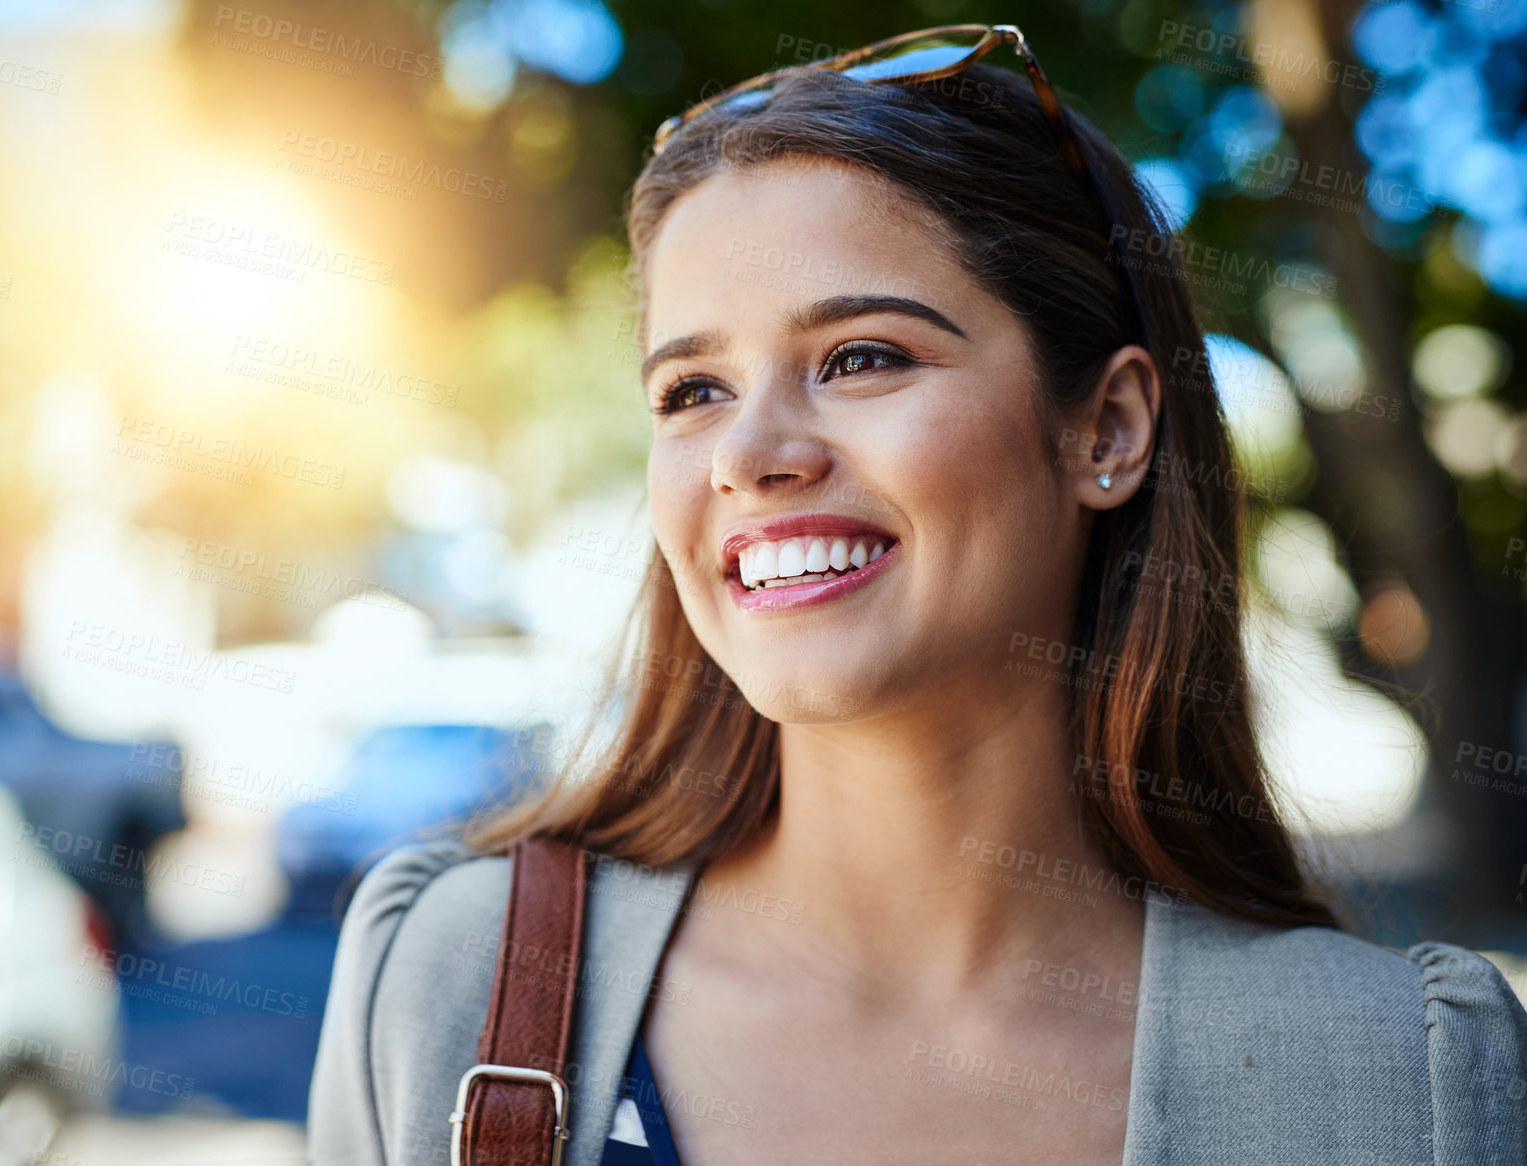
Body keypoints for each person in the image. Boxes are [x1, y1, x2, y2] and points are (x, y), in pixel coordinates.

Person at [308, 26, 1527, 1165]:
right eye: (691, 390)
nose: (749, 454)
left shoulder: (1405, 1086)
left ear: (1105, 427)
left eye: (862, 357)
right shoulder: (457, 981)